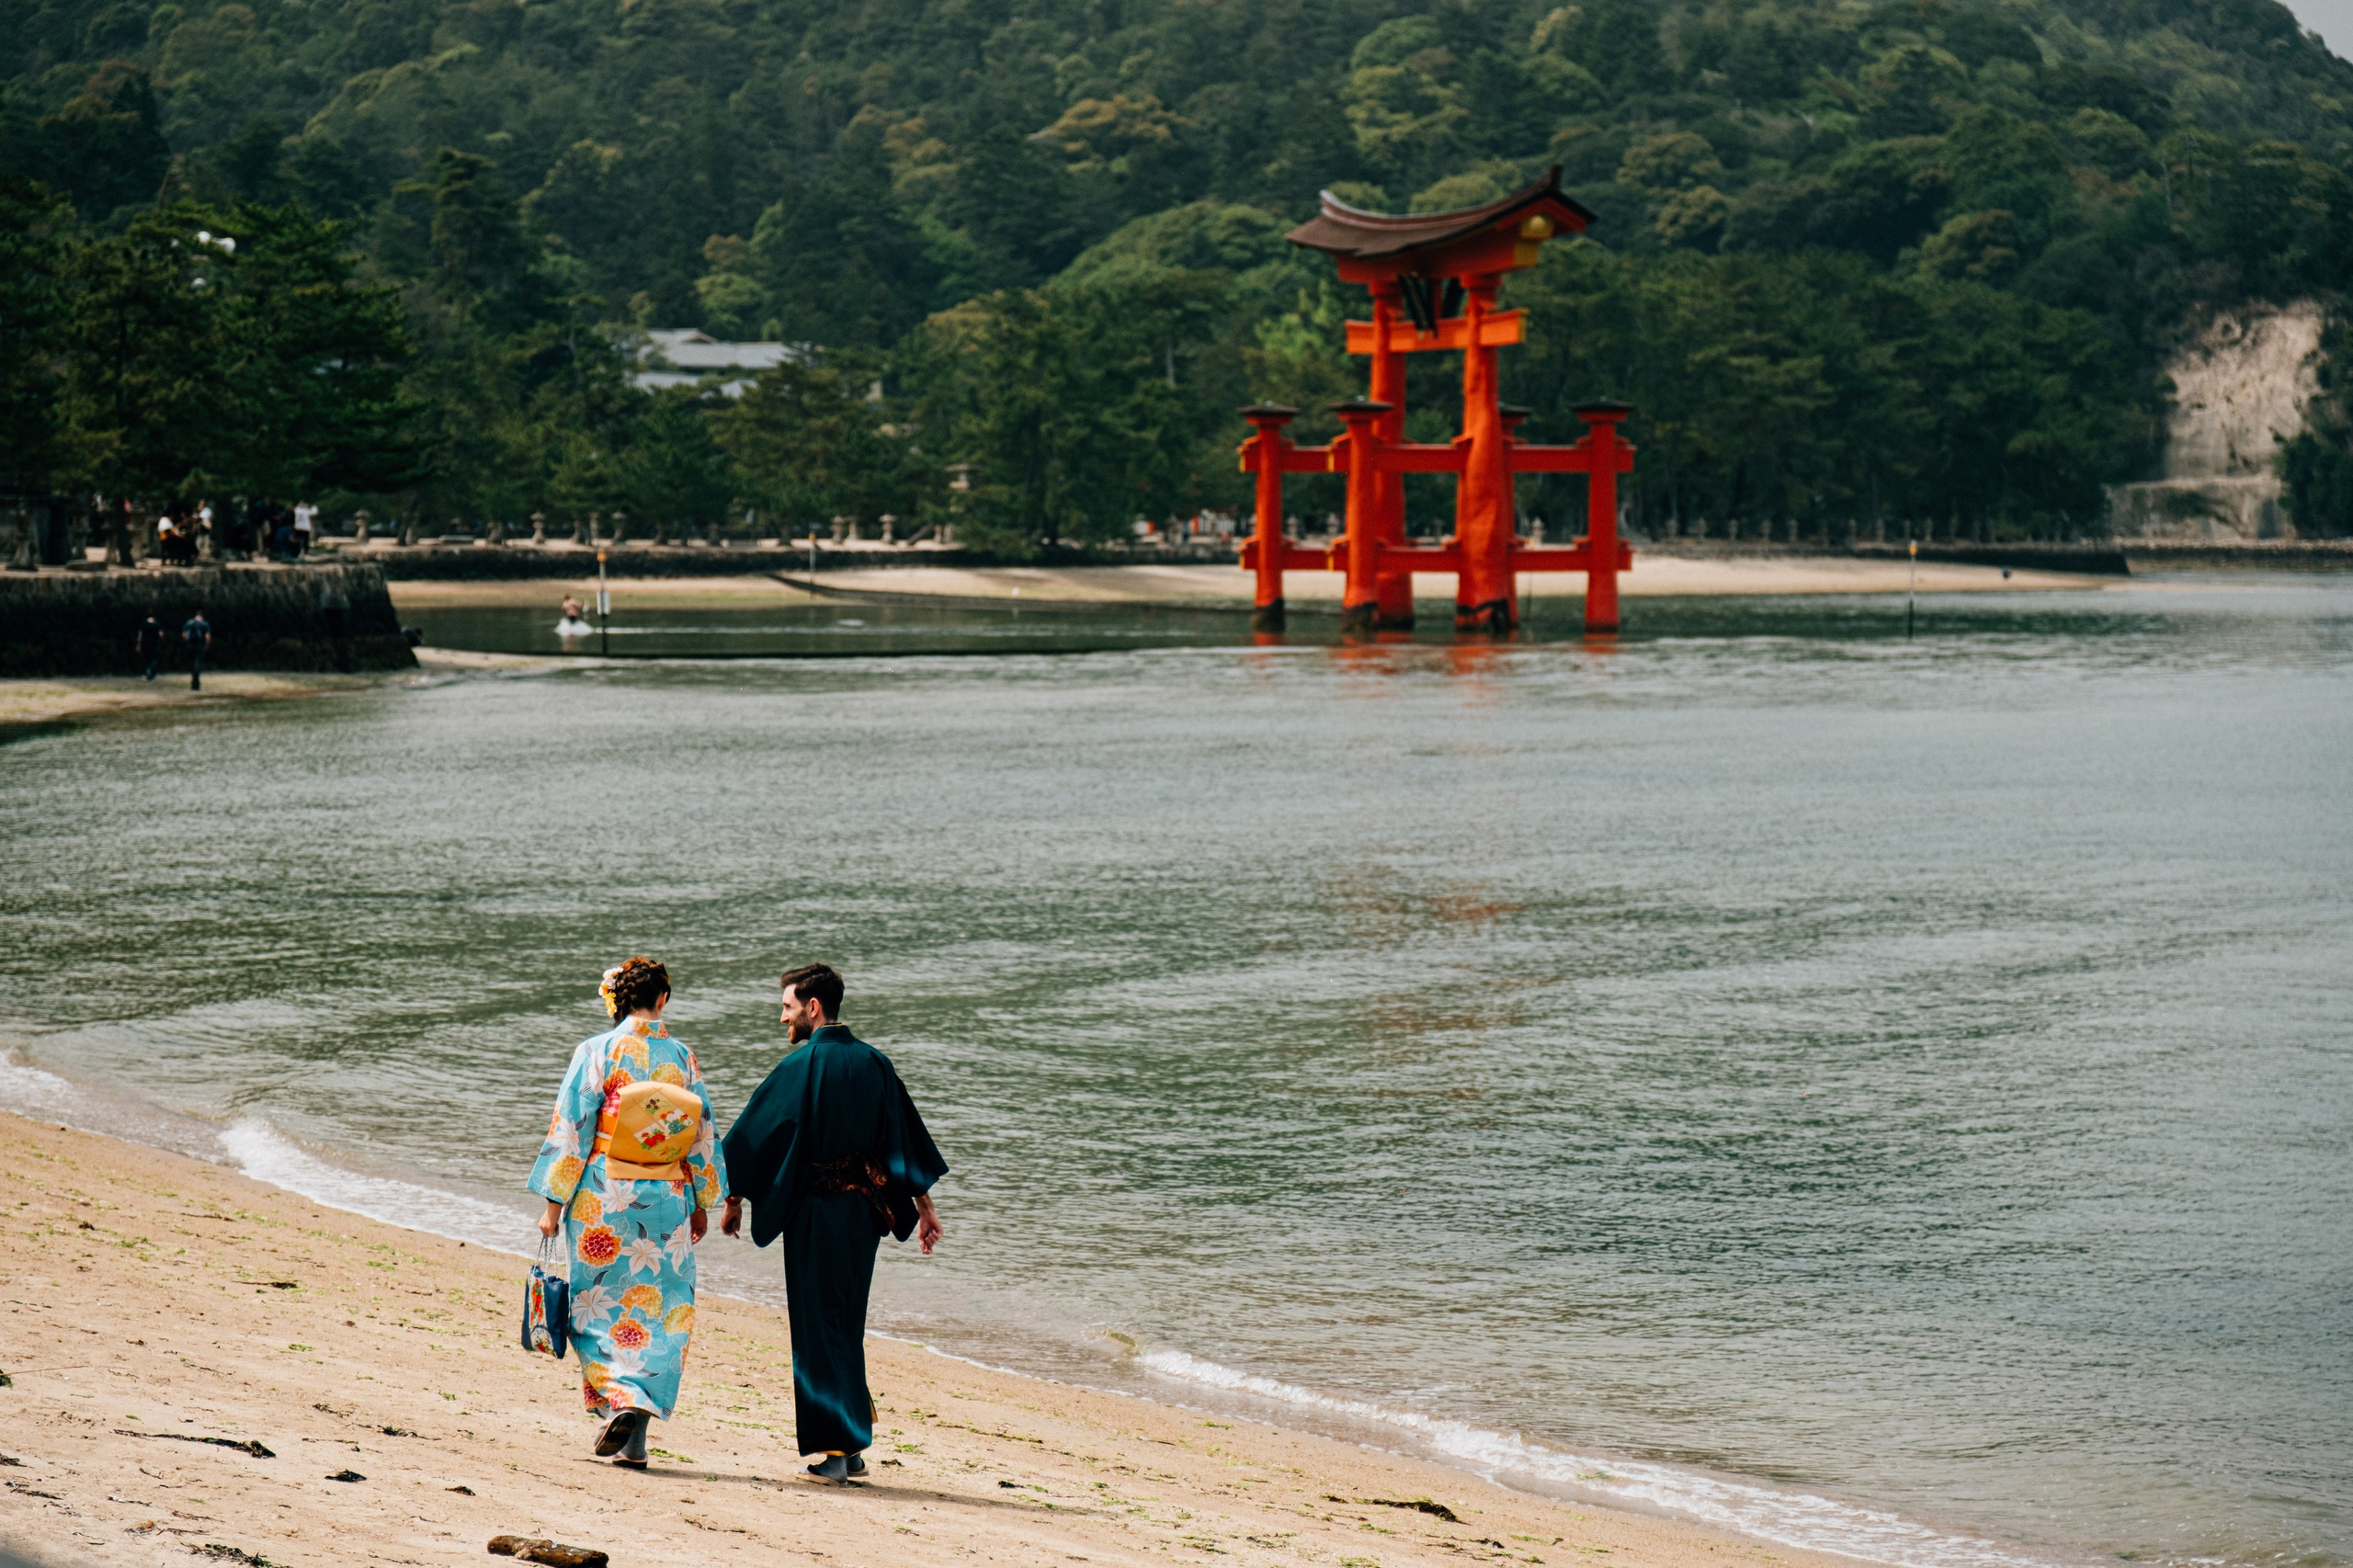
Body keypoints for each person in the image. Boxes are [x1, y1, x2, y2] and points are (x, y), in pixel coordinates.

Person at [722, 962, 946, 1483]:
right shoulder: (876, 1065)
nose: (784, 1019)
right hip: (862, 1217)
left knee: (817, 1326)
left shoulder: (799, 1068)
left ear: (813, 1007)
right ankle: (852, 1439)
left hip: (815, 1215)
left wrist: (732, 1197)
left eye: (787, 1007)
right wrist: (926, 1207)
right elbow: (903, 1142)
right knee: (845, 1322)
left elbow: (755, 1135)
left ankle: (836, 1452)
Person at [528, 957, 726, 1469]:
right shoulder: (683, 1057)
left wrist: (553, 1205)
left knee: (594, 1309)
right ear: (663, 1000)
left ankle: (620, 1397)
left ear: (615, 1000)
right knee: (661, 1312)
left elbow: (572, 1128)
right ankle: (635, 1434)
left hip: (604, 1198)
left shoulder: (597, 1051)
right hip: (667, 1200)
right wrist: (704, 1200)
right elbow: (702, 1133)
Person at [181, 608, 210, 691]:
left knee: (191, 663)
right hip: (200, 646)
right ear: (202, 616)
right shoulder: (205, 624)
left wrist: (187, 641)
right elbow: (207, 637)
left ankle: (194, 680)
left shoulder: (189, 623)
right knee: (198, 664)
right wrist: (207, 645)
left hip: (190, 646)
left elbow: (184, 634)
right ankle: (196, 683)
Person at [135, 615, 165, 680]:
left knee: (147, 658)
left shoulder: (144, 623)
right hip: (154, 643)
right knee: (155, 658)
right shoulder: (157, 624)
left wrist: (138, 644)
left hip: (145, 643)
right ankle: (150, 670)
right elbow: (161, 634)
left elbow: (140, 634)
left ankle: (150, 675)